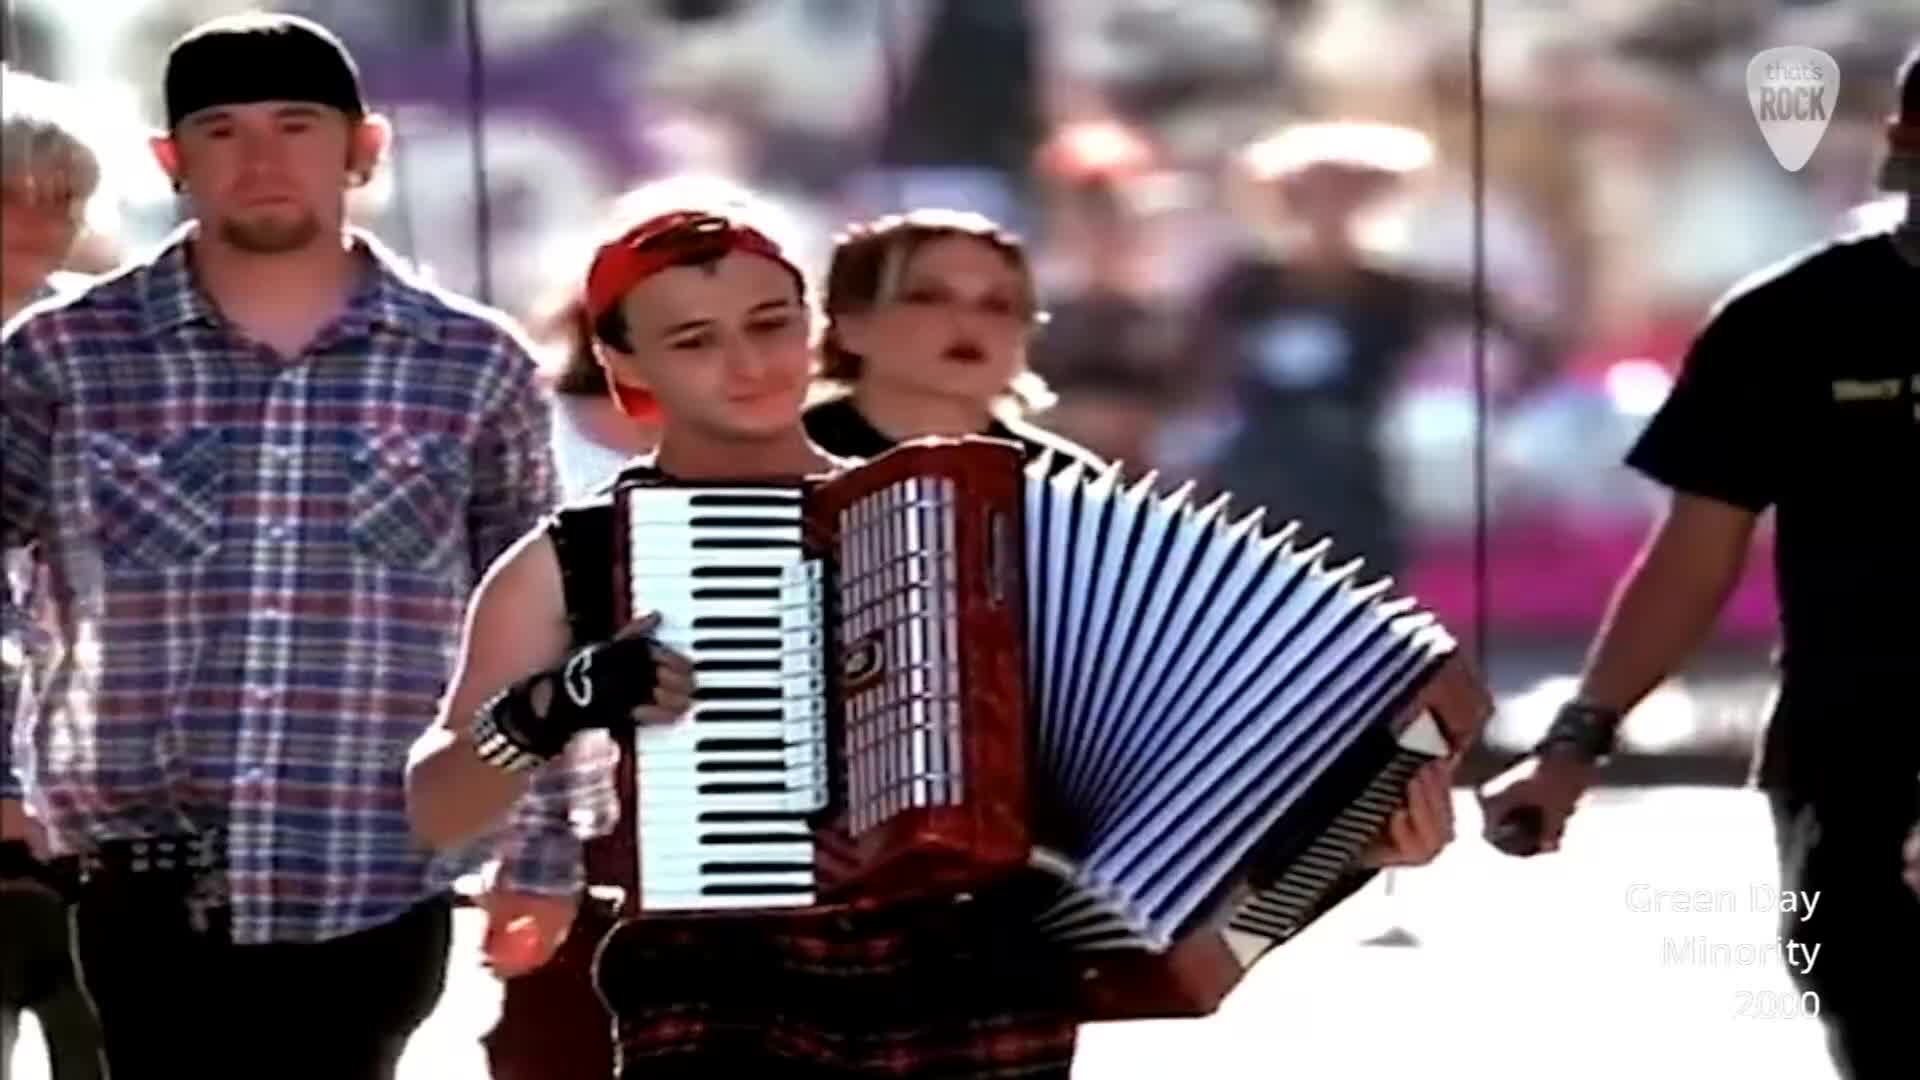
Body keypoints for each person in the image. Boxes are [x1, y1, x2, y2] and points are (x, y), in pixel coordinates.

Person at [407, 184, 1461, 1075]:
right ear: (627, 366)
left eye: (770, 323)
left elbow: (1191, 752)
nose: (746, 362)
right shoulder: (575, 557)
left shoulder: (1017, 523)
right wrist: (551, 708)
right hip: (724, 986)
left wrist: (1344, 834)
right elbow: (435, 809)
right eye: (694, 339)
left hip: (982, 977)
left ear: (811, 329)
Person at [0, 14, 558, 1078]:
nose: (261, 159)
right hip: (136, 878)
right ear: (170, 159)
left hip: (376, 870)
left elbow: (538, 627)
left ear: (364, 149)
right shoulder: (64, 357)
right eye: (222, 131)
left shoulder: (473, 367)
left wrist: (544, 848)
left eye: (297, 125)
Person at [1478, 47, 1920, 1080]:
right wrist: (1573, 745)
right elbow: (1693, 554)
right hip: (1848, 776)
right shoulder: (1788, 320)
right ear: (1904, 146)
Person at [1, 65, 106, 1080]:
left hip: (102, 823)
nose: (40, 219)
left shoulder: (112, 352)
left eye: (62, 197)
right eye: (12, 193)